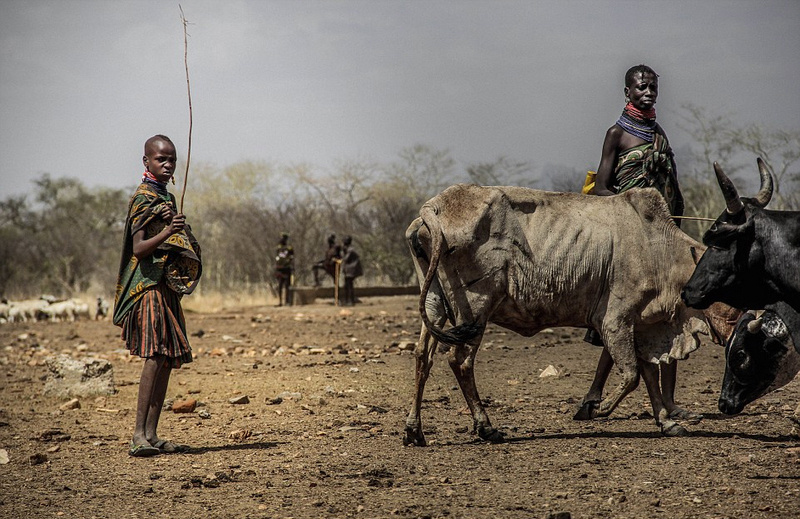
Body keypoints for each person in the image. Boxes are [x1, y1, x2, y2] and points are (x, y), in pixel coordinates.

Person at [579, 65, 694, 422]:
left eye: (653, 86)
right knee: (628, 319)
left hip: (663, 238)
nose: (648, 91)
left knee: (668, 315)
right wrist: (635, 210)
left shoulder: (659, 134)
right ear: (627, 92)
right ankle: (598, 395)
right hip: (631, 239)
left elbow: (671, 187)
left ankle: (665, 402)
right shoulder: (616, 134)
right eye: (641, 86)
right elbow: (600, 188)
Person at [113, 135, 202, 457]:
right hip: (146, 287)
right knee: (154, 356)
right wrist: (168, 230)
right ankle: (138, 435)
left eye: (172, 160)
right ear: (146, 162)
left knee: (165, 358)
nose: (167, 165)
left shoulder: (167, 197)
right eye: (161, 160)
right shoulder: (142, 198)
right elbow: (138, 249)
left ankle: (152, 434)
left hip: (165, 287)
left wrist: (178, 231)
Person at [340, 235, 363, 306]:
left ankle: (350, 301)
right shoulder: (348, 250)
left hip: (352, 270)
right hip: (349, 270)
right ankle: (347, 300)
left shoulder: (350, 250)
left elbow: (346, 259)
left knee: (349, 285)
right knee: (347, 285)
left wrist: (339, 260)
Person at [274, 232, 294, 306]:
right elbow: (277, 258)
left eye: (283, 238)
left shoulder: (289, 248)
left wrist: (291, 266)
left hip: (286, 269)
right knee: (279, 286)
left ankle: (287, 301)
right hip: (279, 269)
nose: (281, 239)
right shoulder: (278, 248)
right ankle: (280, 301)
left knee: (287, 286)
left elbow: (292, 258)